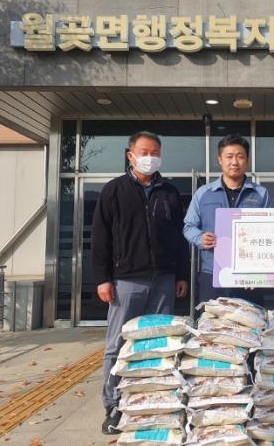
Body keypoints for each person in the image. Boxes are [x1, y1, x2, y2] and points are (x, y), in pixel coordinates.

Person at [92, 131, 189, 435]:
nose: (150, 157)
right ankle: (114, 407)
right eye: (144, 152)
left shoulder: (169, 192)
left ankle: (154, 403)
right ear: (130, 155)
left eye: (155, 152)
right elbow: (100, 238)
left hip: (163, 279)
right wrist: (103, 279)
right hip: (126, 281)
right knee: (117, 345)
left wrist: (181, 274)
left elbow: (179, 238)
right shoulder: (114, 190)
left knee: (159, 343)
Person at [183, 134, 269, 305]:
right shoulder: (203, 193)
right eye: (229, 156)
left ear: (247, 160)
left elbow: (269, 230)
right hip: (212, 273)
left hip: (249, 276)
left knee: (250, 319)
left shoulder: (260, 193)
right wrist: (200, 238)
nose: (234, 162)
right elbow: (188, 226)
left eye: (240, 156)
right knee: (212, 320)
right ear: (220, 159)